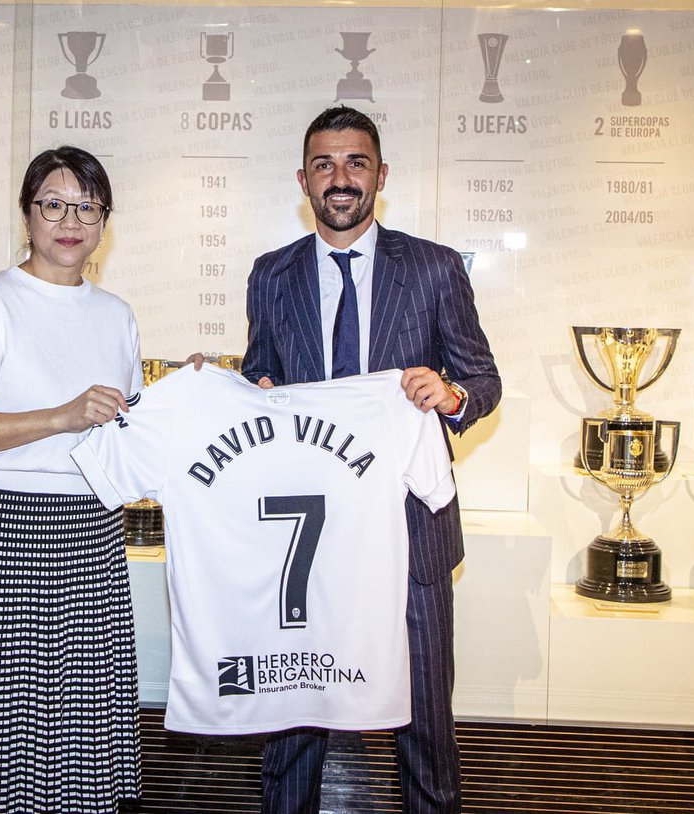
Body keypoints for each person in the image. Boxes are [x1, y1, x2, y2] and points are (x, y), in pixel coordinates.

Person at [242, 106, 502, 814]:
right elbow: (259, 377)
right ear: (303, 180)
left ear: (380, 175)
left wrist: (450, 397)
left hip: (409, 531)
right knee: (294, 721)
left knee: (424, 728)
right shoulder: (271, 275)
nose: (340, 179)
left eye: (355, 163)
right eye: (324, 165)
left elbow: (484, 382)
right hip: (308, 537)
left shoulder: (435, 269)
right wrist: (247, 389)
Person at [0, 146, 143, 814]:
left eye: (87, 207)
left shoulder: (117, 315)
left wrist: (185, 394)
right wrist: (62, 416)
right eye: (53, 204)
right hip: (6, 527)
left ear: (105, 220)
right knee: (0, 711)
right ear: (27, 214)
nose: (70, 221)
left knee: (83, 709)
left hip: (92, 530)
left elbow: (125, 433)